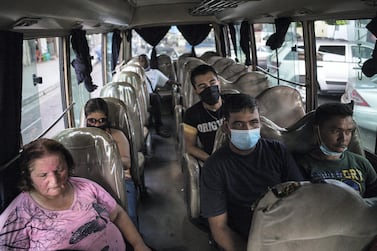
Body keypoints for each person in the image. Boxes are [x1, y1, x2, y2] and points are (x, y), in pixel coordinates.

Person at [0, 138, 151, 251]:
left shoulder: (86, 187)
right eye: (43, 175)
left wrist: (139, 245)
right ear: (28, 176)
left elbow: (117, 214)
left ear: (68, 165)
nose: (54, 180)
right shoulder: (16, 217)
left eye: (59, 170)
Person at [200, 93, 304, 251]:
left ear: (261, 123)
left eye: (253, 122)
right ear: (226, 127)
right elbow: (219, 228)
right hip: (244, 235)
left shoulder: (277, 151)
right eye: (239, 125)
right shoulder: (214, 166)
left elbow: (299, 195)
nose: (248, 130)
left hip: (284, 226)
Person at [295, 102, 377, 197]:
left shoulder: (361, 163)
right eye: (336, 131)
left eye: (348, 131)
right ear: (317, 130)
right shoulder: (302, 164)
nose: (343, 138)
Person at [84, 97, 139, 228]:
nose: (97, 125)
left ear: (107, 119)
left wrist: (107, 161)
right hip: (89, 184)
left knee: (129, 216)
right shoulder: (81, 139)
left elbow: (126, 163)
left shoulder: (117, 135)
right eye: (92, 121)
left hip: (120, 180)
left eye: (101, 120)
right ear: (86, 119)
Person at [183, 64, 224, 162]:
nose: (209, 88)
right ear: (196, 90)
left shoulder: (235, 103)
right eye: (202, 86)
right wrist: (212, 161)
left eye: (212, 82)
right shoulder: (191, 114)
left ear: (219, 82)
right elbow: (190, 147)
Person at [138, 54, 174, 138]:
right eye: (142, 61)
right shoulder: (136, 74)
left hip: (150, 96)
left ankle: (159, 127)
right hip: (139, 97)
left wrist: (179, 84)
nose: (145, 62)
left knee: (155, 97)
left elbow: (168, 81)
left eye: (146, 60)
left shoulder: (155, 72)